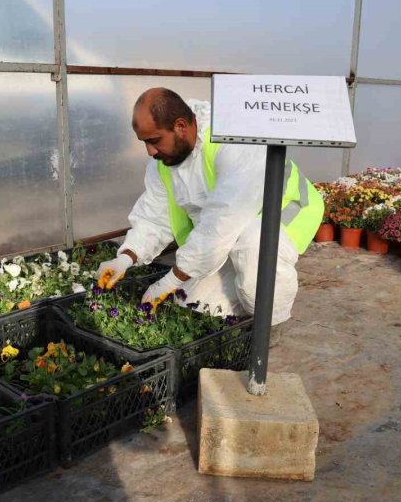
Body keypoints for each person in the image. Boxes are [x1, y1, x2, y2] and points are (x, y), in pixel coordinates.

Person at [95, 88, 322, 345]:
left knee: (251, 253)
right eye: (144, 142)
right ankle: (246, 308)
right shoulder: (164, 163)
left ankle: (270, 327)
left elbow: (222, 222)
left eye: (154, 140)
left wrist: (170, 280)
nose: (150, 151)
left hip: (279, 215)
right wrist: (125, 258)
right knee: (191, 303)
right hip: (224, 233)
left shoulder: (233, 140)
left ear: (181, 126)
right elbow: (153, 216)